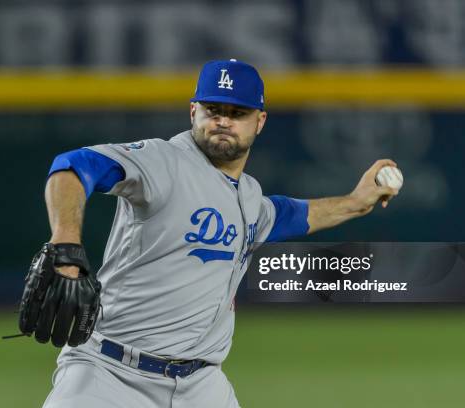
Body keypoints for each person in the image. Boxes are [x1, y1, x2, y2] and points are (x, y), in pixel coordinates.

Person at [38, 59, 399, 407]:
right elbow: (72, 166)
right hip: (109, 375)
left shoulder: (250, 198)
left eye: (237, 113)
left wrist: (357, 200)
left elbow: (296, 214)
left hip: (200, 385)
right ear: (193, 111)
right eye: (214, 109)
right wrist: (66, 242)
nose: (223, 121)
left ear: (260, 122)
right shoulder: (162, 162)